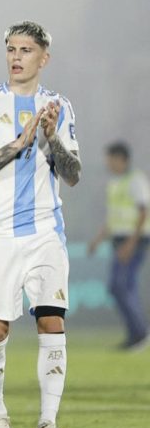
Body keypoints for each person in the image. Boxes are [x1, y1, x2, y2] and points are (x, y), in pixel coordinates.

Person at [0, 21, 82, 428]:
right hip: (1, 234)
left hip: (48, 233)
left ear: (43, 58)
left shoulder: (59, 107)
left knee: (52, 322)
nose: (16, 57)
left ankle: (48, 422)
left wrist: (50, 139)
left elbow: (72, 175)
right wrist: (19, 142)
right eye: (11, 48)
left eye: (26, 50)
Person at [89, 143, 149, 351]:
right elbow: (113, 217)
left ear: (121, 159)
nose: (108, 163)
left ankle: (140, 333)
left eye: (110, 158)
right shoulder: (115, 183)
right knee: (121, 287)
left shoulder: (136, 180)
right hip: (119, 241)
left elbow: (143, 213)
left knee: (121, 286)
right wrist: (98, 240)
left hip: (133, 242)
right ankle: (136, 334)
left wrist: (131, 244)